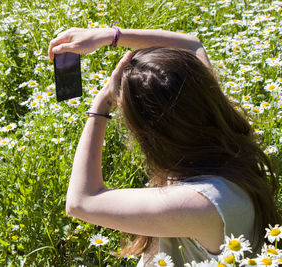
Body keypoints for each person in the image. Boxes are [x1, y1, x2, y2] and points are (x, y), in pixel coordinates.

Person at [48, 27, 280, 266]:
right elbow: (191, 45)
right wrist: (109, 36)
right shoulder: (226, 142)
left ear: (152, 133)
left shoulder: (201, 204)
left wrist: (101, 105)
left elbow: (81, 202)